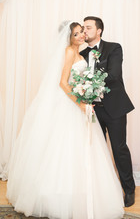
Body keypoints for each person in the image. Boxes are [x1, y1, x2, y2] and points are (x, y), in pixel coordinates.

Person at [7, 21, 124, 219]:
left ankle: (78, 193)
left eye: (81, 32)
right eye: (76, 34)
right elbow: (62, 83)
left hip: (79, 103)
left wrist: (88, 93)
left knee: (82, 150)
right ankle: (60, 196)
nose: (81, 36)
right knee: (64, 149)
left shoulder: (82, 53)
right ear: (69, 38)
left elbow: (80, 79)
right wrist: (81, 103)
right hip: (69, 105)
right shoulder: (70, 52)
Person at [80, 16, 135, 207]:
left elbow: (113, 75)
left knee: (119, 149)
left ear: (99, 30)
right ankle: (103, 190)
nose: (84, 31)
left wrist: (88, 78)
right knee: (97, 151)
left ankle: (129, 190)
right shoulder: (82, 54)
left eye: (88, 27)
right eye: (83, 28)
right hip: (93, 110)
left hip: (114, 107)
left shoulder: (114, 48)